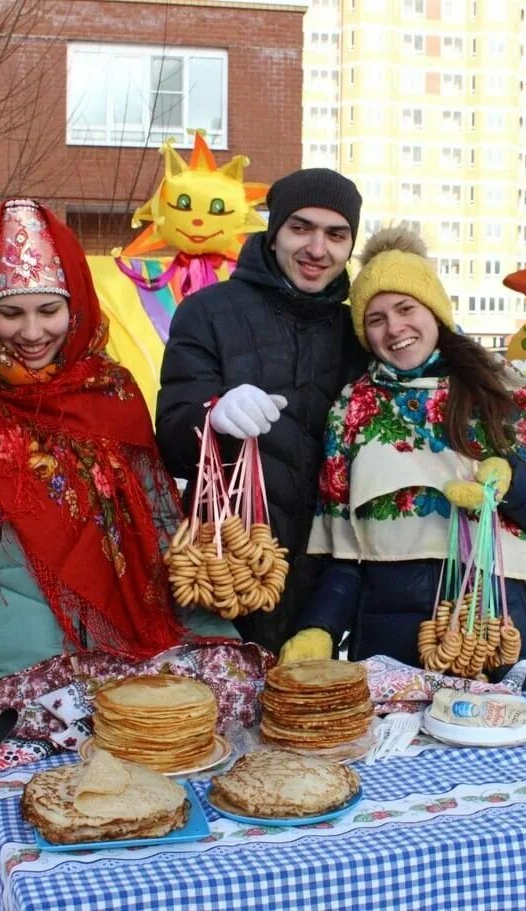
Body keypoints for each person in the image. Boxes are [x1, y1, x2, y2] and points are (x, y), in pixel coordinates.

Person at [0, 199, 231, 686]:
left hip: (128, 658)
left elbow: (162, 531)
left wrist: (212, 637)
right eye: (11, 313)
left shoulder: (114, 392)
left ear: (75, 305)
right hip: (15, 668)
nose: (32, 333)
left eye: (49, 311)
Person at [278, 226, 526, 686]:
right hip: (386, 644)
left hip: (492, 629)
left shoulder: (504, 392)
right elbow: (344, 552)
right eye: (376, 318)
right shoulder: (354, 408)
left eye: (406, 308)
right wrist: (318, 629)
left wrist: (511, 484)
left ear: (434, 310)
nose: (394, 328)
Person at [156, 168, 369, 653]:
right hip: (225, 570)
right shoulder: (209, 312)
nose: (317, 249)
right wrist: (213, 417)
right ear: (274, 233)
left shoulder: (357, 332)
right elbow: (171, 438)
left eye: (336, 235)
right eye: (301, 228)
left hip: (325, 586)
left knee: (312, 722)